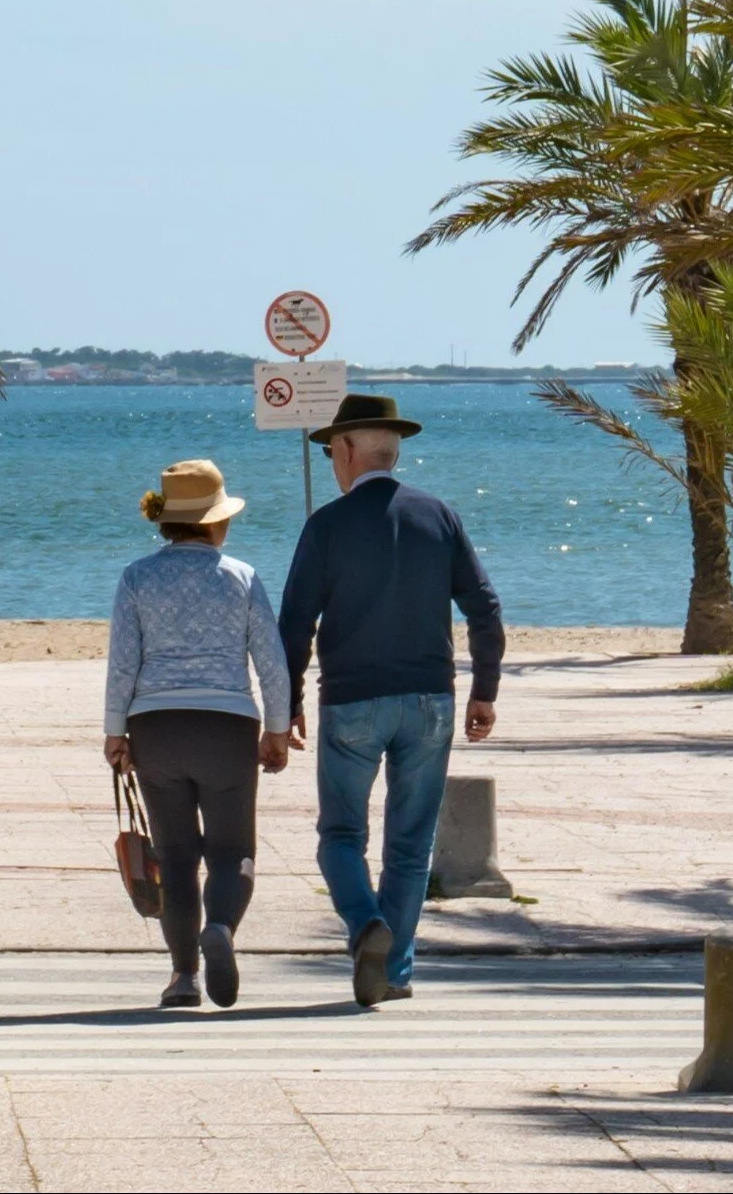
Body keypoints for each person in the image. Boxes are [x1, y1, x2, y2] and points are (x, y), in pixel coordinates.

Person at [278, 394, 503, 1008]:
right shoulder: (440, 516)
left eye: (331, 451)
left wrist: (287, 701)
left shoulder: (326, 525)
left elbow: (296, 621)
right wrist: (485, 689)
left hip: (352, 701)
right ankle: (395, 970)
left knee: (341, 836)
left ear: (349, 450)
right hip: (431, 700)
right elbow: (484, 608)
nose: (330, 461)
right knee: (411, 844)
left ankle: (363, 924)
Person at [104, 459, 291, 1010]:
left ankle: (183, 976)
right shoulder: (241, 576)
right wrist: (277, 728)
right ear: (216, 524)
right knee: (232, 850)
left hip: (156, 725)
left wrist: (116, 732)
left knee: (176, 853)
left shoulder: (136, 577)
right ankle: (223, 929)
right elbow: (270, 661)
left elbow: (123, 662)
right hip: (227, 724)